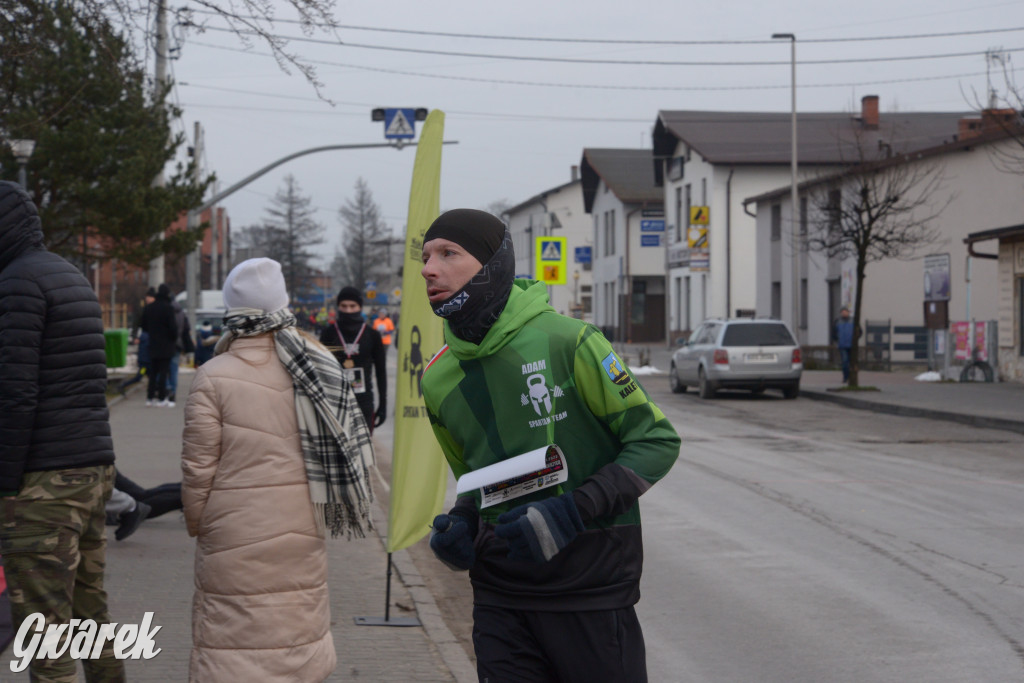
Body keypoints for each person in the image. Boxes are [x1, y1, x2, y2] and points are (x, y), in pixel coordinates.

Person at [419, 209, 680, 682]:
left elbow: (655, 441)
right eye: (425, 256)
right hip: (500, 595)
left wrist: (571, 511)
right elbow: (476, 481)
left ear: (493, 264)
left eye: (448, 253)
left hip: (589, 588)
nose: (428, 268)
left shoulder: (571, 342)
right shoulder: (438, 379)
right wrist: (463, 523)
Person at [181, 257, 374, 682]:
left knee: (231, 637)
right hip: (302, 523)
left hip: (233, 532)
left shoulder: (212, 376)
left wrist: (199, 522)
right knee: (295, 628)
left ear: (233, 312)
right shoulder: (318, 365)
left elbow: (198, 471)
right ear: (283, 305)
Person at [0, 180, 125, 681]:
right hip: (91, 469)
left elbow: (15, 394)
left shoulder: (16, 284)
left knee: (44, 631)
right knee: (91, 613)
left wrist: (5, 481)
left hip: (43, 483)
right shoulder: (67, 275)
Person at [319, 287, 387, 433]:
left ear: (360, 307)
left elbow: (381, 372)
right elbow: (320, 370)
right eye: (344, 306)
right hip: (335, 402)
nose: (348, 310)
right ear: (338, 307)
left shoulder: (372, 334)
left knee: (363, 452)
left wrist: (383, 405)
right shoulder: (328, 333)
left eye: (352, 306)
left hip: (364, 403)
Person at [140, 283, 178, 407]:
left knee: (153, 372)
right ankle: (162, 398)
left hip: (153, 343)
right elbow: (173, 328)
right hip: (166, 345)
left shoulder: (149, 308)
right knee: (163, 372)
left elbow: (143, 325)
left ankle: (149, 398)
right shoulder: (168, 308)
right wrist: (173, 339)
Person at [167, 294, 196, 402]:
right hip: (178, 345)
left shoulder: (167, 312)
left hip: (167, 344)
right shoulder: (181, 313)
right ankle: (173, 392)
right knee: (174, 370)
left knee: (164, 369)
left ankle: (167, 388)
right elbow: (187, 328)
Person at [832, 306, 854, 383]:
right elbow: (834, 333)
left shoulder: (853, 321)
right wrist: (837, 340)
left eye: (845, 312)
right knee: (845, 362)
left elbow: (859, 331)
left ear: (848, 312)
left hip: (851, 345)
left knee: (851, 363)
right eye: (843, 312)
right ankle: (845, 377)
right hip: (842, 345)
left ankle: (851, 377)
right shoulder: (837, 322)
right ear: (841, 313)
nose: (844, 313)